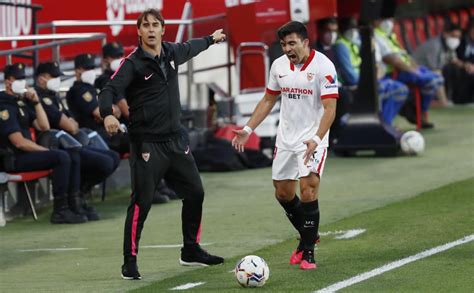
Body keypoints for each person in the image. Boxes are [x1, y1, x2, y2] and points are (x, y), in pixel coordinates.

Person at [98, 8, 226, 280]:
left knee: (195, 193)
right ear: (140, 31)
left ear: (163, 29)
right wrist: (108, 113)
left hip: (176, 140)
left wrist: (212, 39)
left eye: (156, 24)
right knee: (141, 203)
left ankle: (190, 250)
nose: (152, 29)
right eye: (146, 25)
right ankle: (129, 262)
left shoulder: (171, 52)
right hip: (147, 144)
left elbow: (192, 47)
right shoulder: (132, 62)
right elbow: (108, 90)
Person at [232, 21, 338, 270]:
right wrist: (248, 130)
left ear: (305, 42)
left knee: (308, 189)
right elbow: (269, 100)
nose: (287, 48)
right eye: (283, 44)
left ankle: (308, 252)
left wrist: (317, 137)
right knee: (283, 193)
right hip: (286, 138)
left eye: (292, 43)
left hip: (313, 139)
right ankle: (308, 234)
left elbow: (330, 109)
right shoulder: (279, 66)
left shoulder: (324, 66)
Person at [0, 63, 87, 224]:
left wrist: (36, 102)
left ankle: (74, 203)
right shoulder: (3, 105)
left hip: (27, 154)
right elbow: (18, 143)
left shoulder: (20, 102)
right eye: (18, 79)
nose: (23, 82)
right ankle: (60, 210)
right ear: (8, 82)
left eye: (23, 78)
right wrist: (43, 151)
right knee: (61, 157)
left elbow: (44, 126)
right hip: (14, 159)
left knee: (71, 153)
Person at [35, 61, 122, 220]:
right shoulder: (41, 98)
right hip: (58, 145)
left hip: (72, 141)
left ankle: (80, 193)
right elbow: (70, 125)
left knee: (113, 157)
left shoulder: (52, 97)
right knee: (103, 162)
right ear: (41, 79)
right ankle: (73, 201)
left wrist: (71, 125)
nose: (56, 80)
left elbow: (73, 124)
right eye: (53, 76)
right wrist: (70, 125)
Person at [333, 17, 408, 125]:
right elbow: (351, 77)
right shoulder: (341, 45)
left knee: (401, 89)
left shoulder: (355, 42)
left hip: (369, 80)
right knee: (380, 90)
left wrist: (375, 75)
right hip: (357, 84)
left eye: (355, 28)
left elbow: (378, 65)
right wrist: (370, 78)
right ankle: (379, 124)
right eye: (349, 28)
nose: (353, 31)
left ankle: (385, 123)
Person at [373, 17, 443, 128]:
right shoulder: (376, 35)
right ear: (376, 20)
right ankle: (410, 113)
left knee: (437, 78)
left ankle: (417, 111)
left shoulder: (390, 35)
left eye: (391, 19)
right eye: (385, 19)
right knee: (431, 81)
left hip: (407, 70)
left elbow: (404, 55)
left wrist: (416, 68)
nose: (389, 22)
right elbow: (391, 59)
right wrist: (413, 71)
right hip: (395, 73)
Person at [66, 53, 130, 154]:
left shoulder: (92, 87)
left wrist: (108, 111)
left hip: (108, 132)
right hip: (96, 135)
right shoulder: (78, 90)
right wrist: (108, 111)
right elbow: (100, 114)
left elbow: (116, 112)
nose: (90, 71)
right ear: (77, 70)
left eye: (92, 68)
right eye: (87, 68)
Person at [414, 22, 463, 105]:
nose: (456, 39)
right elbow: (434, 68)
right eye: (453, 36)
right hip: (417, 70)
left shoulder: (448, 45)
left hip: (430, 70)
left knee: (456, 70)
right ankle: (443, 102)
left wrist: (466, 66)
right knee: (438, 75)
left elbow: (454, 60)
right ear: (445, 34)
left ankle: (459, 99)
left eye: (458, 37)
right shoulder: (434, 45)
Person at [95, 42, 130, 121]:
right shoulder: (105, 80)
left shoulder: (127, 75)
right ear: (105, 60)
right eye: (115, 57)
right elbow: (127, 112)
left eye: (121, 55)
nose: (120, 59)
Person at [455, 18, 474, 104]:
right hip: (461, 66)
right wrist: (465, 65)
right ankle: (462, 101)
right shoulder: (460, 41)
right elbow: (454, 57)